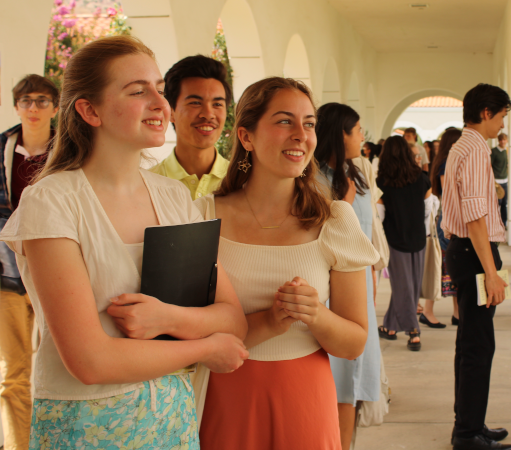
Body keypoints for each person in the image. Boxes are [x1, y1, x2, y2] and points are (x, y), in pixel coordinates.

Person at [0, 36, 249, 450]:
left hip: (171, 417)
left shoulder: (173, 197)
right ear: (88, 110)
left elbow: (232, 318)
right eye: (138, 91)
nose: (160, 103)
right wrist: (205, 346)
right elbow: (90, 361)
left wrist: (168, 320)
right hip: (86, 424)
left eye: (160, 89)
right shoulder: (53, 200)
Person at [194, 77, 379, 450]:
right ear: (245, 137)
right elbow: (188, 333)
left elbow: (354, 343)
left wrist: (316, 314)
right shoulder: (201, 217)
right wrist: (269, 321)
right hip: (224, 395)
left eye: (309, 123)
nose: (301, 135)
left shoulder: (335, 220)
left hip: (305, 396)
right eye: (284, 121)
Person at [442, 84, 511, 450]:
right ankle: (468, 434)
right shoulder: (473, 149)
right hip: (473, 254)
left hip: (466, 252)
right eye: (502, 115)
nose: (503, 123)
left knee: (471, 343)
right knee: (477, 346)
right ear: (486, 112)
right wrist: (491, 272)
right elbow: (474, 218)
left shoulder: (463, 146)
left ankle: (470, 424)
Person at [314, 102, 382, 450]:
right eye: (357, 130)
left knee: (352, 382)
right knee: (335, 378)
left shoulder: (354, 171)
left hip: (359, 290)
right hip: (329, 292)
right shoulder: (313, 179)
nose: (362, 137)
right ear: (340, 134)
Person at [0, 74, 59, 450]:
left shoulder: (69, 151)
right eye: (26, 101)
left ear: (55, 107)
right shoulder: (1, 149)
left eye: (41, 101)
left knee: (54, 368)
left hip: (53, 272)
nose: (33, 108)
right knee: (13, 374)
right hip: (5, 273)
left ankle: (51, 441)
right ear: (16, 106)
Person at [376, 136, 432, 351]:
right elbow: (428, 210)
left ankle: (413, 331)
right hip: (418, 238)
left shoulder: (382, 183)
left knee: (403, 287)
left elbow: (379, 216)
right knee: (410, 287)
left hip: (394, 240)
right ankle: (390, 327)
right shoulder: (422, 178)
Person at [150, 55, 232, 200]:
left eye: (217, 104)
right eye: (195, 103)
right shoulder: (147, 185)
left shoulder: (242, 182)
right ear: (171, 112)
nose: (208, 114)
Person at [421, 128, 462, 328]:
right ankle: (428, 311)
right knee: (443, 267)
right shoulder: (447, 163)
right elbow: (449, 195)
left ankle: (457, 313)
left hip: (449, 218)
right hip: (449, 219)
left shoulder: (447, 161)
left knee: (451, 268)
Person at [490, 132, 509, 228]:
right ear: (498, 140)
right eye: (501, 140)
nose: (503, 141)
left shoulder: (507, 151)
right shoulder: (494, 151)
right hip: (496, 181)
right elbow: (489, 165)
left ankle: (504, 223)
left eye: (504, 139)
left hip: (505, 180)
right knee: (496, 203)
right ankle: (495, 223)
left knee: (504, 203)